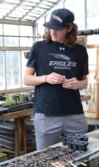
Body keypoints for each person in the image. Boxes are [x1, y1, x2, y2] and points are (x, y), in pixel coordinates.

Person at [24, 8, 89, 150]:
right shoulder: (39, 47)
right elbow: (27, 79)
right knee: (46, 160)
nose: (52, 32)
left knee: (79, 156)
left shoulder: (79, 50)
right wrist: (46, 78)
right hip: (47, 115)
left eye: (57, 29)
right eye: (50, 28)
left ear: (69, 28)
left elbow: (85, 82)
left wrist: (78, 84)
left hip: (74, 115)